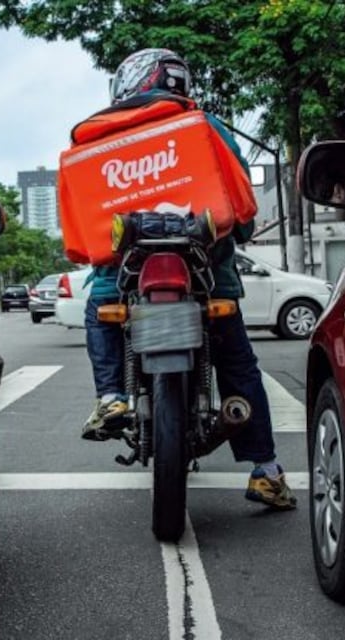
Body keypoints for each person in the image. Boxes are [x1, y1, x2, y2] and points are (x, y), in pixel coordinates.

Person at [79, 48, 296, 509]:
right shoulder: (205, 126)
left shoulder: (105, 134)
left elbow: (87, 210)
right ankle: (266, 471)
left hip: (122, 276)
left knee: (99, 310)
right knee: (237, 365)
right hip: (208, 273)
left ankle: (112, 396)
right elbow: (240, 203)